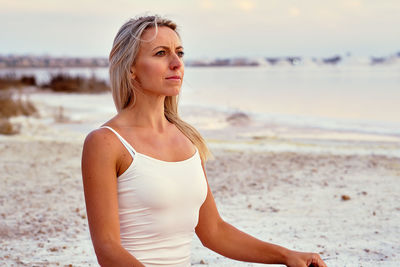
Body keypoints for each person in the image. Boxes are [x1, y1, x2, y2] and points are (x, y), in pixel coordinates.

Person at [81, 15, 327, 267]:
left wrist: (286, 255)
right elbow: (108, 248)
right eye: (160, 53)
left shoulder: (187, 138)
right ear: (130, 67)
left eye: (179, 52)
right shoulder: (106, 142)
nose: (176, 63)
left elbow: (214, 232)